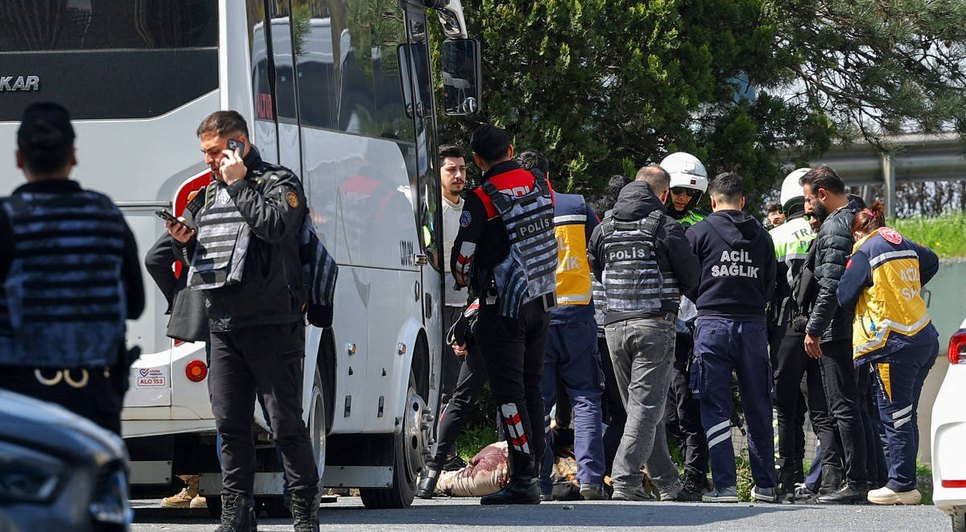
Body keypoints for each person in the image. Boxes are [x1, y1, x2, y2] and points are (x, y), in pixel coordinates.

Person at [167, 110, 320, 531]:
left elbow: (273, 227)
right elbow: (206, 257)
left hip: (273, 322)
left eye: (214, 152)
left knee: (285, 423)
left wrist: (237, 184)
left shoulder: (279, 183)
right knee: (230, 426)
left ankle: (305, 515)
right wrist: (185, 244)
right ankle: (237, 514)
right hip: (223, 326)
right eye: (205, 153)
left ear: (239, 144)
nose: (208, 161)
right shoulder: (210, 193)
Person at [0, 102, 144, 434]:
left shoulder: (7, 217)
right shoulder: (106, 214)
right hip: (95, 397)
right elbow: (135, 305)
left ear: (19, 159)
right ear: (73, 156)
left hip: (21, 401)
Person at [450, 124, 557, 505]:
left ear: (477, 160)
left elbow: (463, 259)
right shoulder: (540, 185)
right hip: (542, 303)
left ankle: (523, 478)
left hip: (501, 308)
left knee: (509, 397)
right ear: (512, 149)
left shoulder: (482, 197)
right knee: (532, 389)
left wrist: (463, 278)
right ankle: (536, 471)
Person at [588, 165, 700, 502]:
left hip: (614, 326)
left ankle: (667, 483)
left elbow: (596, 266)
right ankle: (624, 480)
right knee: (646, 409)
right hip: (653, 324)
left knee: (641, 410)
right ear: (663, 194)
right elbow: (692, 277)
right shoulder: (664, 226)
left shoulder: (604, 226)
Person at [836, 201, 940, 505]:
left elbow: (843, 295)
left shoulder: (865, 249)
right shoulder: (903, 241)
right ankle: (900, 482)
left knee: (895, 416)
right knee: (905, 414)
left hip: (892, 342)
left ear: (858, 231)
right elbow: (931, 261)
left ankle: (902, 485)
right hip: (922, 336)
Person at [517, 150, 606, 501]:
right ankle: (590, 480)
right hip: (578, 314)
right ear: (550, 173)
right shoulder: (577, 205)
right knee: (585, 397)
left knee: (538, 400)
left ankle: (538, 478)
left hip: (538, 314)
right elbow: (598, 249)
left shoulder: (518, 209)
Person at [685, 172, 778, 503]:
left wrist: (705, 300)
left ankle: (725, 487)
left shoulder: (697, 233)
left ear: (712, 201)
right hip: (752, 326)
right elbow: (771, 283)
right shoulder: (763, 236)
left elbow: (687, 278)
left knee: (715, 406)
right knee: (758, 404)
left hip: (711, 324)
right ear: (743, 200)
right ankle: (766, 486)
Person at [417, 144, 488, 499]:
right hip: (440, 303)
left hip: (469, 304)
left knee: (459, 383)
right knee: (443, 381)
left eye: (462, 169)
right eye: (451, 170)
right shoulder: (432, 210)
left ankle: (444, 451)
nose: (459, 175)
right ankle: (437, 455)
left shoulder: (471, 207)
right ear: (438, 173)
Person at [768, 168, 841, 500]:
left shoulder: (776, 236)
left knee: (786, 408)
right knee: (823, 410)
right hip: (824, 328)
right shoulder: (831, 231)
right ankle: (828, 479)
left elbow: (768, 287)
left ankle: (787, 478)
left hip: (787, 330)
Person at [799, 165, 868, 504]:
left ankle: (854, 482)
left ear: (823, 194)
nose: (808, 207)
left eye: (810, 199)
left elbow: (830, 286)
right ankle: (865, 478)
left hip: (836, 330)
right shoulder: (862, 216)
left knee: (842, 406)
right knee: (857, 406)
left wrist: (813, 330)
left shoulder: (835, 226)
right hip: (863, 327)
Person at [658, 151, 712, 500]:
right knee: (661, 409)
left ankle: (695, 475)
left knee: (689, 405)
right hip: (659, 321)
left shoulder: (702, 222)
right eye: (677, 191)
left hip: (693, 324)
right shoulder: (652, 220)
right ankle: (663, 473)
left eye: (688, 194)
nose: (681, 198)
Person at [591, 175, 632, 481]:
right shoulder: (628, 229)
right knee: (620, 407)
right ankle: (606, 468)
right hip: (612, 327)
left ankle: (589, 469)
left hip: (583, 325)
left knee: (589, 402)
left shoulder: (593, 228)